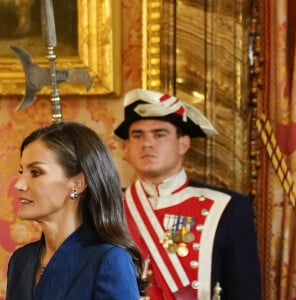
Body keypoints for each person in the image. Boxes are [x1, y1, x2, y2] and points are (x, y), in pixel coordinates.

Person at [114, 88, 262, 300]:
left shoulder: (227, 208)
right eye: (138, 135)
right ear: (126, 147)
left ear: (183, 143)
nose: (147, 143)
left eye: (160, 134)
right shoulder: (107, 206)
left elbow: (244, 293)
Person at [6, 122, 148, 300]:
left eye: (35, 172)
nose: (19, 184)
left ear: (78, 183)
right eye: (21, 172)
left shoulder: (109, 260)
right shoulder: (21, 260)